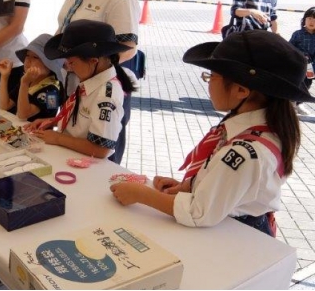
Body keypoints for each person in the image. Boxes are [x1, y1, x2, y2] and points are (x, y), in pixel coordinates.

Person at [111, 30, 312, 237]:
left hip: (234, 236)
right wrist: (190, 186)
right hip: (226, 220)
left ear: (241, 90)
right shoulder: (255, 128)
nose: (208, 83)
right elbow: (230, 185)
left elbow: (198, 212)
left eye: (211, 76)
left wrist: (141, 194)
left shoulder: (246, 152)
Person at [55, 0, 140, 164]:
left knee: (100, 155)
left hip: (99, 89)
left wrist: (90, 70)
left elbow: (129, 48)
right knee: (74, 149)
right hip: (74, 82)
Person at [25, 20, 137, 159]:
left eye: (72, 63)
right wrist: (53, 121)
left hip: (87, 165)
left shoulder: (106, 95)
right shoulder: (91, 79)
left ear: (93, 61)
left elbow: (100, 149)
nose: (68, 67)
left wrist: (57, 138)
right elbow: (82, 119)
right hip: (71, 156)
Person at [0, 34, 64, 121]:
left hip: (37, 134)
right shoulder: (30, 80)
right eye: (27, 55)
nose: (28, 60)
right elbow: (5, 105)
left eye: (35, 57)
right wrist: (4, 77)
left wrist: (24, 83)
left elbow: (23, 115)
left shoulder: (52, 91)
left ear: (50, 65)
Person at [289, 7, 315, 116]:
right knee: (297, 83)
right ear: (304, 20)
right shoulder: (298, 34)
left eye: (314, 19)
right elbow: (289, 48)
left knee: (307, 84)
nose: (311, 21)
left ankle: (299, 103)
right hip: (298, 65)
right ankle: (292, 103)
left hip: (312, 66)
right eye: (309, 18)